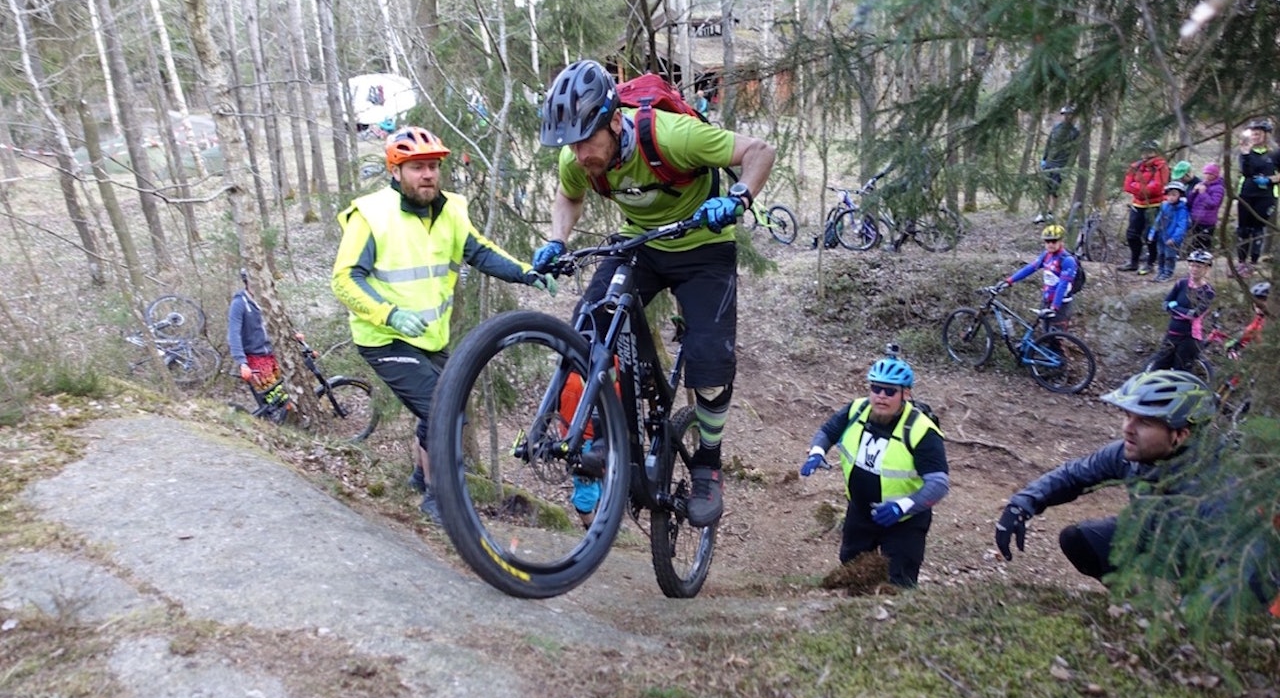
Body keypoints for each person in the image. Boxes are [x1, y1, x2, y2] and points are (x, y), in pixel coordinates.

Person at [535, 59, 776, 527]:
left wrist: (738, 198)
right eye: (572, 144)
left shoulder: (670, 136)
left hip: (703, 247)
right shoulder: (577, 158)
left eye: (588, 139)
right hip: (640, 246)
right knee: (585, 335)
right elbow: (570, 194)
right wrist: (555, 240)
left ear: (613, 119)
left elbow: (759, 151)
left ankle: (707, 462)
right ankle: (598, 441)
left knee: (708, 363)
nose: (581, 154)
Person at [331, 126, 556, 521]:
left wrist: (526, 273)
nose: (428, 175)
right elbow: (345, 279)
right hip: (384, 337)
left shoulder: (451, 210)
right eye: (416, 166)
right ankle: (438, 498)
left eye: (433, 166)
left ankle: (421, 474)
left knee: (436, 407)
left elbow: (480, 253)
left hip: (432, 339)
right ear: (395, 170)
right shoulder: (370, 215)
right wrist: (390, 313)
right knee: (444, 410)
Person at [994, 370, 1215, 583]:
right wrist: (1022, 503)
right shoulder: (1127, 454)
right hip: (1152, 534)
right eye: (1128, 416)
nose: (1128, 429)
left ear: (1180, 435)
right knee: (1078, 540)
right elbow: (1074, 475)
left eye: (1145, 422)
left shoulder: (1220, 482)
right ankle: (1131, 601)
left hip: (1209, 559)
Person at [799, 357, 948, 587]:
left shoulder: (921, 430)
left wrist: (902, 507)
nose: (881, 396)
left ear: (905, 394)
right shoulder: (857, 409)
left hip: (904, 521)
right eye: (875, 388)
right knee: (851, 575)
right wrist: (817, 452)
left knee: (899, 583)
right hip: (860, 513)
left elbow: (938, 483)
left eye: (889, 391)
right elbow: (828, 431)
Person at [227, 277, 292, 421]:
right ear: (247, 282)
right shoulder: (239, 303)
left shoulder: (266, 301)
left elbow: (279, 322)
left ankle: (283, 423)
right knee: (273, 400)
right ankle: (270, 425)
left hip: (272, 355)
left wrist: (294, 335)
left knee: (285, 396)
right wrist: (242, 362)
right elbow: (233, 334)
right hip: (255, 358)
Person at [1001, 223, 1080, 330]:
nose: (1050, 244)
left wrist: (1055, 307)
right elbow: (1029, 269)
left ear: (1061, 241)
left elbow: (1063, 285)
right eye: (1047, 241)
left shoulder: (1067, 260)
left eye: (1054, 241)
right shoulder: (1046, 255)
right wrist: (1009, 280)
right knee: (1045, 335)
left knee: (1056, 341)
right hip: (1046, 301)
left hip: (1061, 305)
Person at [1147, 249, 1215, 373]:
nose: (1194, 269)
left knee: (1180, 372)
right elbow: (1165, 304)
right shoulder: (1181, 284)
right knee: (1157, 369)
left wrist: (1174, 307)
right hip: (1172, 334)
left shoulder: (1208, 292)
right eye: (1192, 265)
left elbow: (1194, 314)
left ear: (1206, 269)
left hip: (1190, 337)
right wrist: (1179, 309)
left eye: (1198, 266)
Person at [1120, 140, 1169, 275]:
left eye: (1149, 151)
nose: (1146, 154)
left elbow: (1158, 187)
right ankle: (1133, 262)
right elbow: (1127, 185)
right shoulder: (1135, 166)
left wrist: (1138, 188)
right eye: (1144, 151)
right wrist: (1141, 189)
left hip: (1154, 205)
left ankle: (1150, 263)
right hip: (1137, 204)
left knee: (1150, 235)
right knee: (1132, 234)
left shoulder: (1161, 166)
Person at [1236, 119, 1278, 273]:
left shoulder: (1275, 152)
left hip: (1266, 195)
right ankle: (1241, 262)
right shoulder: (1245, 151)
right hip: (1246, 193)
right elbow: (1246, 172)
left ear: (1266, 135)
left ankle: (1253, 263)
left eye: (1258, 134)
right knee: (1243, 229)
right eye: (1253, 134)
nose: (1255, 136)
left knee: (1258, 228)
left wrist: (1269, 180)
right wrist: (1246, 154)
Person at [1035, 104, 1081, 224]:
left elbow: (1074, 152)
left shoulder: (1075, 132)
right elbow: (1048, 144)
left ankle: (1051, 213)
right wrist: (1044, 159)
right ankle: (1042, 213)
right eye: (1065, 114)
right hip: (1049, 163)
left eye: (1069, 114)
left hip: (1061, 165)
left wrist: (1068, 167)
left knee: (1055, 190)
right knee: (1045, 189)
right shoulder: (1056, 128)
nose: (1067, 117)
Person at [1147, 181, 1189, 282]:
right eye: (1169, 195)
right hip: (1162, 235)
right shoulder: (1164, 206)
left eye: (1174, 195)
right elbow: (1158, 220)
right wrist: (1152, 233)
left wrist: (1175, 238)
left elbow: (1181, 226)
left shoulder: (1182, 210)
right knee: (1161, 254)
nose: (1171, 197)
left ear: (1180, 195)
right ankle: (1161, 272)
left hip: (1172, 237)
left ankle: (1168, 273)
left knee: (1170, 256)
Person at [1187, 162, 1225, 253]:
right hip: (1195, 220)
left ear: (1215, 175)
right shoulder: (1201, 184)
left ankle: (1204, 263)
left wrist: (1203, 193)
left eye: (1210, 174)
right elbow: (1190, 202)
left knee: (1204, 244)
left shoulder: (1218, 188)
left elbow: (1213, 204)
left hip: (1207, 222)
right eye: (1205, 173)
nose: (1207, 176)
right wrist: (1193, 192)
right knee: (1195, 243)